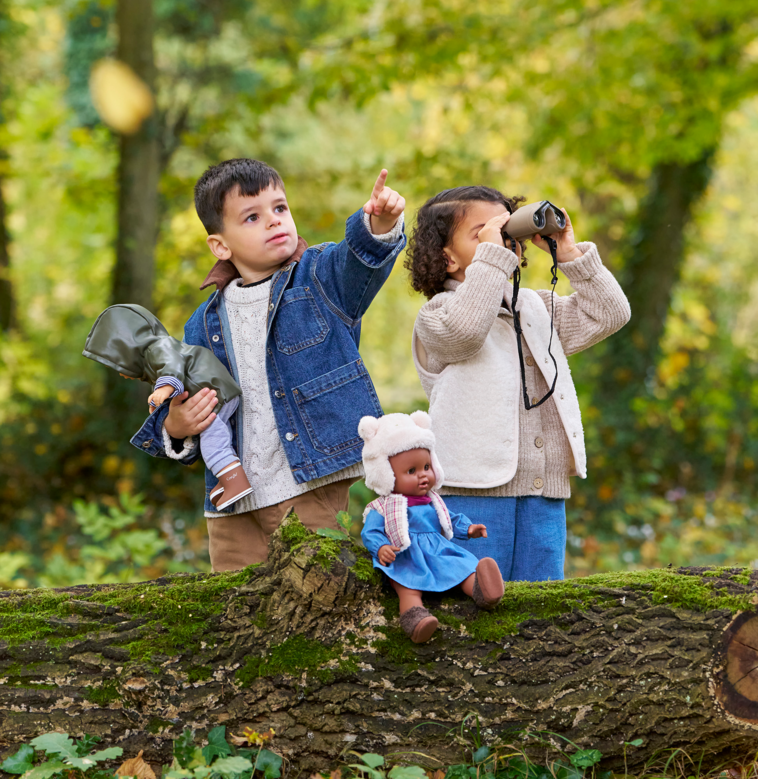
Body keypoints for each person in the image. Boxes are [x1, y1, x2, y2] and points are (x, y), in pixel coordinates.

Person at [130, 158, 406, 571]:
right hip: (230, 505)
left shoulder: (319, 279)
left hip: (309, 483)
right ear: (220, 246)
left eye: (279, 208)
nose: (274, 221)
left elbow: (359, 264)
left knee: (318, 588)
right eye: (252, 217)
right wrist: (175, 426)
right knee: (235, 602)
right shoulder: (202, 324)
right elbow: (187, 395)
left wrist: (379, 225)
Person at [406, 186, 631, 582]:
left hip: (544, 492)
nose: (502, 240)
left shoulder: (535, 308)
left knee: (542, 605)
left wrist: (569, 254)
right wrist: (493, 259)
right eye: (483, 233)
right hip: (470, 493)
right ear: (447, 257)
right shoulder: (437, 315)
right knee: (475, 601)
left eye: (506, 230)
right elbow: (466, 332)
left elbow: (610, 313)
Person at [84, 304, 253, 510]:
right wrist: (160, 404)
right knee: (220, 436)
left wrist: (163, 389)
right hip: (214, 391)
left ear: (129, 348)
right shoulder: (156, 357)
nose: (121, 373)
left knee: (212, 444)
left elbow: (171, 366)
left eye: (120, 364)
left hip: (212, 393)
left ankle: (235, 480)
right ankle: (226, 477)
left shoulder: (158, 347)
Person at [359, 411, 505, 644]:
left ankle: (481, 590)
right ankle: (415, 618)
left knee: (461, 568)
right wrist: (381, 547)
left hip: (438, 551)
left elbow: (449, 519)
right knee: (407, 587)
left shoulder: (432, 500)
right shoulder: (382, 506)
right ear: (386, 475)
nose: (423, 476)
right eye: (411, 471)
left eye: (426, 466)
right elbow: (371, 531)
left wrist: (468, 529)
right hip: (406, 555)